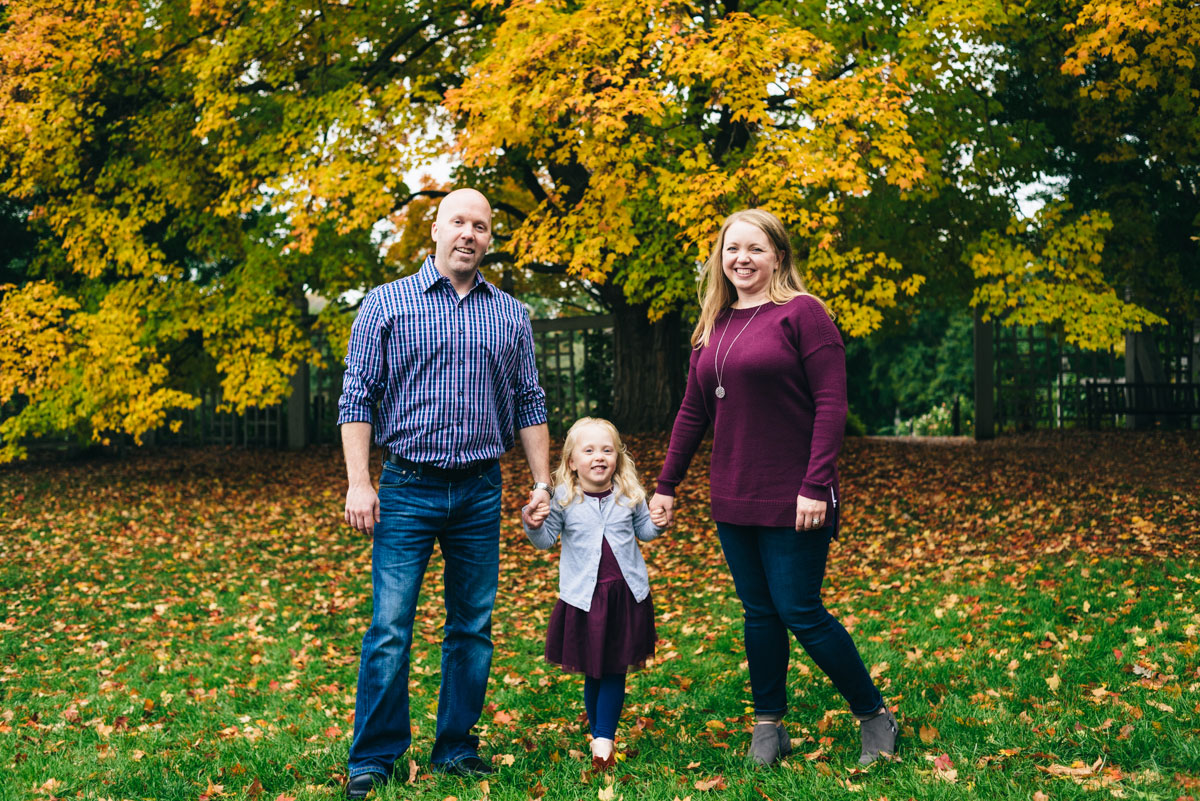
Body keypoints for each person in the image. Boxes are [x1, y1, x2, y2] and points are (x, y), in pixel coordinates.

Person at [648, 209, 898, 767]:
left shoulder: (803, 314)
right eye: (732, 249)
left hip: (796, 494)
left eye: (755, 249)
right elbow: (692, 412)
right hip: (732, 494)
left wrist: (816, 482)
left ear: (778, 256)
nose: (742, 259)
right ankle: (769, 728)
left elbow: (832, 404)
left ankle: (874, 716)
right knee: (758, 613)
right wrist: (667, 484)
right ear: (720, 258)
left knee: (800, 610)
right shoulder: (712, 324)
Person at [338, 188, 553, 799]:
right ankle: (375, 757)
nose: (469, 233)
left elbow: (529, 403)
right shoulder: (385, 305)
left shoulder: (511, 314)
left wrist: (541, 483)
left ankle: (456, 748)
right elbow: (357, 399)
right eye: (458, 221)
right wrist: (360, 482)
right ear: (434, 229)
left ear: (489, 239)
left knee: (473, 628)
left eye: (480, 226)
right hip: (408, 487)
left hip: (481, 490)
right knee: (389, 628)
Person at [523, 417, 668, 771]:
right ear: (572, 461)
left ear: (618, 457)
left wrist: (658, 521)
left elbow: (644, 532)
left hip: (625, 598)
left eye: (607, 450)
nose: (598, 457)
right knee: (593, 669)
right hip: (584, 600)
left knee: (615, 668)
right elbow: (545, 542)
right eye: (589, 450)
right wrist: (532, 523)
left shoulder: (629, 494)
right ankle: (599, 736)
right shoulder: (562, 498)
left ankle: (604, 741)